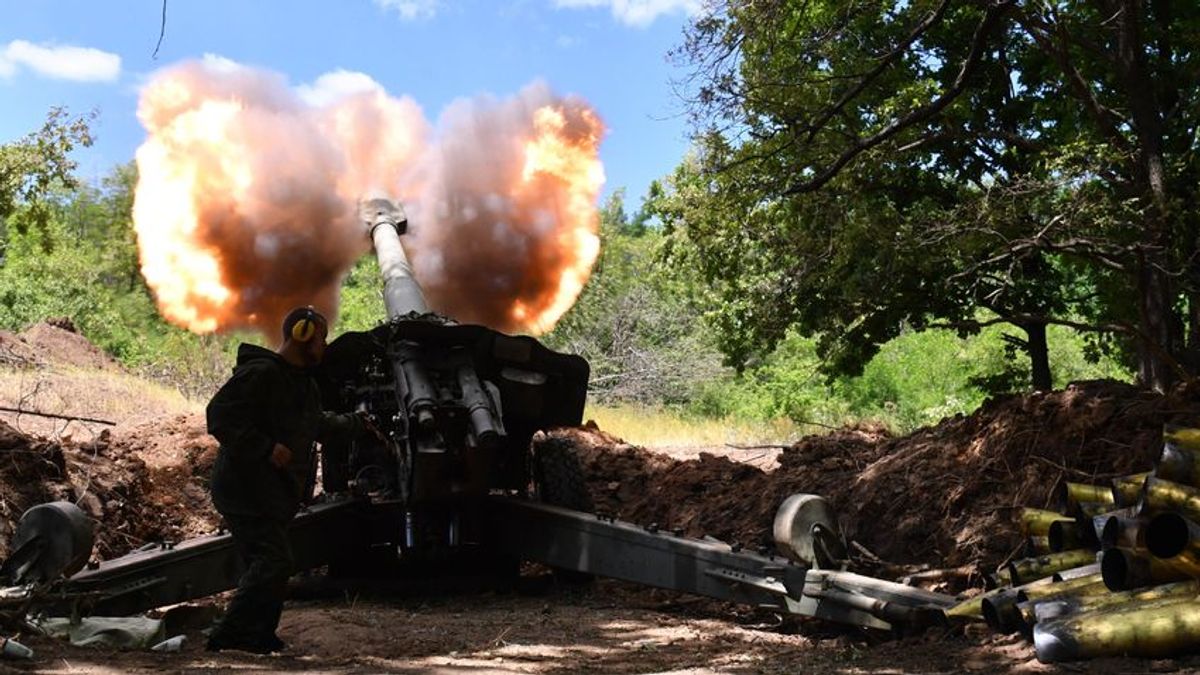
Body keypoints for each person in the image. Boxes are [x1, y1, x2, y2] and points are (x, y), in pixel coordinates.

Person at [204, 306, 364, 654]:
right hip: (244, 488)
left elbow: (315, 425)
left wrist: (358, 425)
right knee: (274, 562)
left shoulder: (302, 384)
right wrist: (264, 447)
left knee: (267, 563)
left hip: (270, 491)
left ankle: (259, 635)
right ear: (302, 334)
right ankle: (228, 634)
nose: (324, 345)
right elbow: (219, 415)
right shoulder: (261, 374)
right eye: (321, 338)